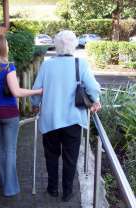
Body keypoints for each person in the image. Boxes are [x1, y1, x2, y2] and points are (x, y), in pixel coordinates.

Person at [31, 30, 101, 202]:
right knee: (71, 158)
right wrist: (96, 100)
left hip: (51, 119)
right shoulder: (81, 63)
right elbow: (93, 88)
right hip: (73, 119)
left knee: (51, 155)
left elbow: (36, 90)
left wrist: (34, 104)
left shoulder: (47, 65)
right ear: (74, 44)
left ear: (56, 45)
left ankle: (52, 188)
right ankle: (68, 192)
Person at [0, 34, 42, 197]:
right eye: (6, 44)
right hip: (9, 113)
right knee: (10, 149)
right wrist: (39, 91)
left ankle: (1, 180)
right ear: (2, 47)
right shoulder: (8, 67)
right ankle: (10, 188)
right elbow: (17, 92)